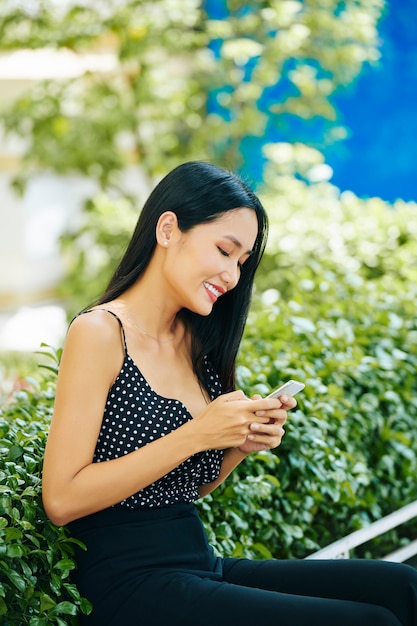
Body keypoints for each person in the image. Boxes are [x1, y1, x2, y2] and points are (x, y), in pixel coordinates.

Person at [42, 161, 417, 626]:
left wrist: (238, 445)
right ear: (167, 229)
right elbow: (61, 499)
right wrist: (198, 434)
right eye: (224, 250)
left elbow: (191, 486)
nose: (233, 276)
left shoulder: (196, 340)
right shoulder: (100, 331)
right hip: (126, 580)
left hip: (197, 562)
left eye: (241, 262)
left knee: (401, 587)